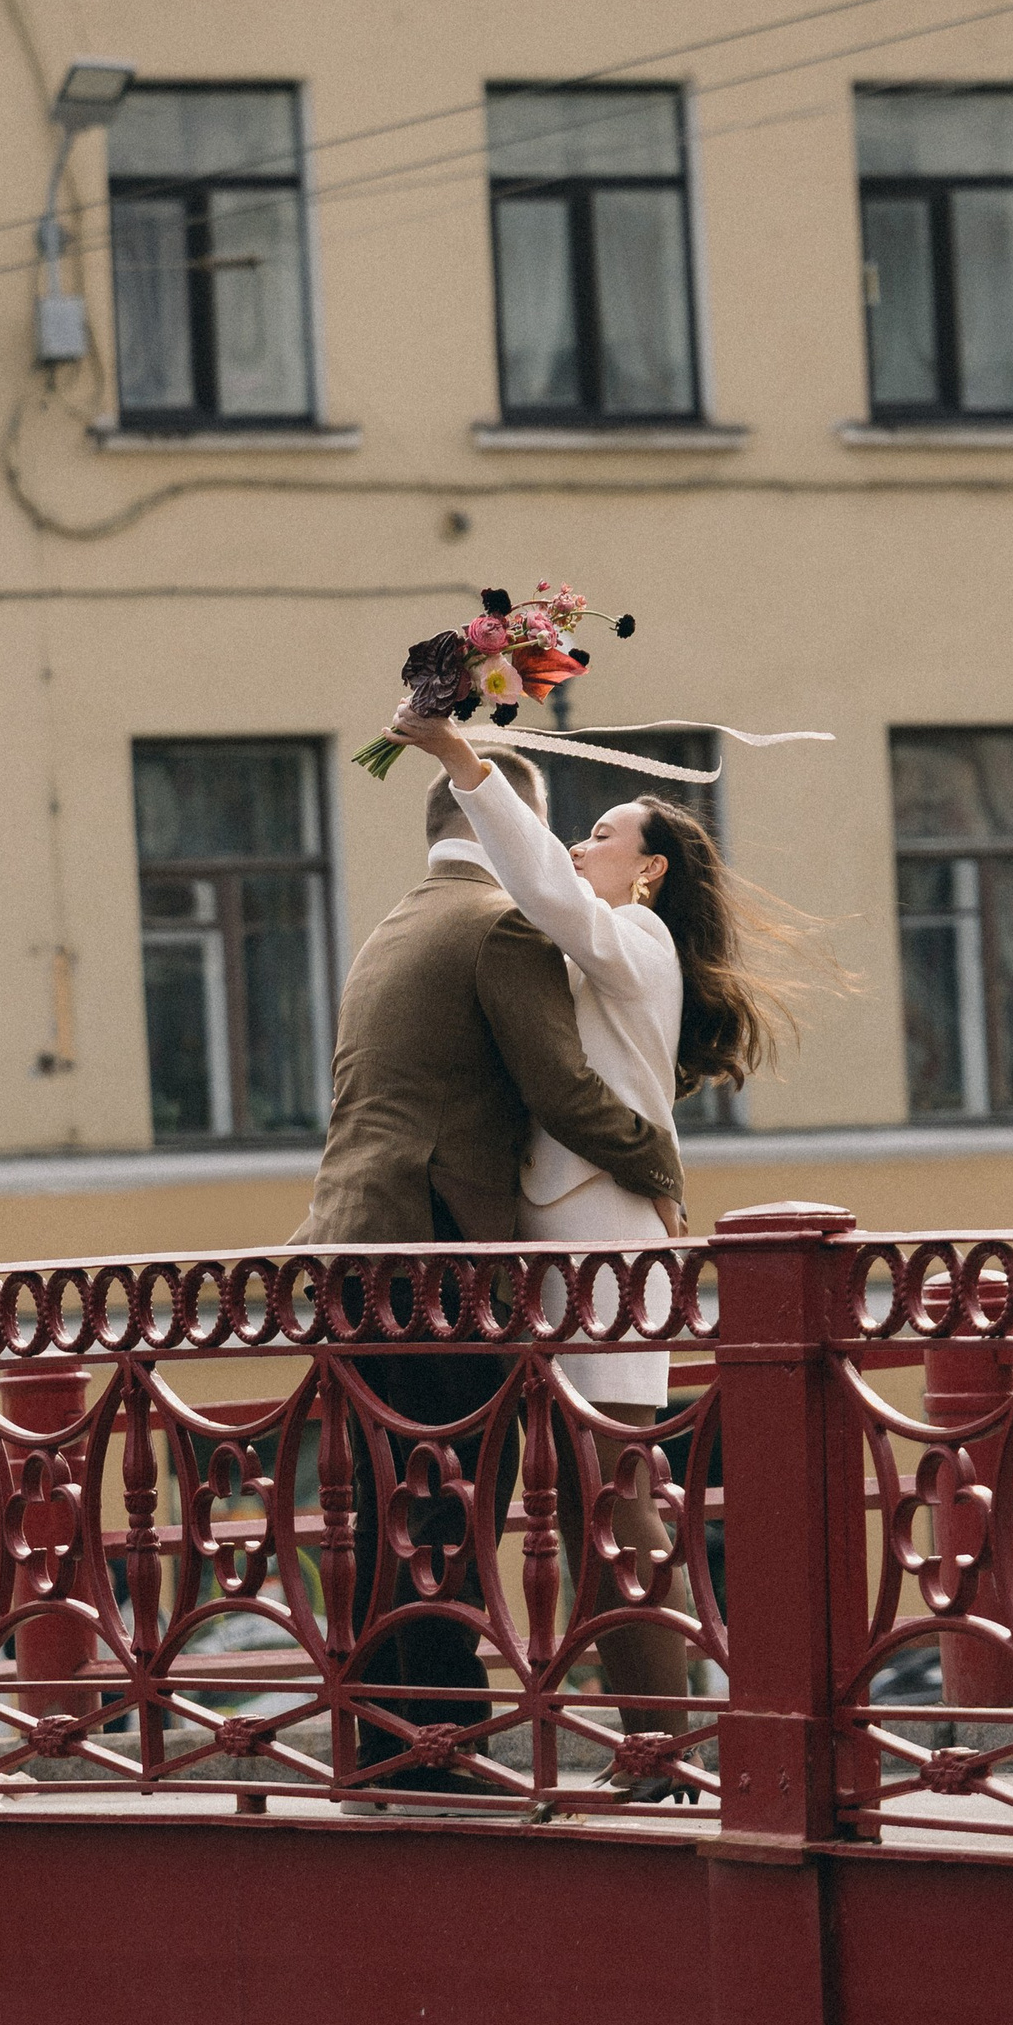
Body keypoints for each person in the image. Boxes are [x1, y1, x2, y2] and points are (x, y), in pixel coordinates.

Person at [386, 706, 805, 1792]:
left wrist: (460, 761)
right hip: (574, 1241)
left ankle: (663, 1740)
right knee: (590, 1491)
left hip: (602, 1244)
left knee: (612, 1487)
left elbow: (545, 889)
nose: (581, 843)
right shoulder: (613, 948)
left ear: (651, 871)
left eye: (605, 833)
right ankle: (655, 1740)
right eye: (581, 830)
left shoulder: (633, 938)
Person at [298, 745, 684, 1796]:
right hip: (433, 1245)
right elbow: (560, 1089)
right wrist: (660, 1166)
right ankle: (437, 1748)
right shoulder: (500, 922)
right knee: (451, 1501)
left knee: (384, 1503)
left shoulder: (394, 920)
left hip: (345, 1238)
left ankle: (380, 1739)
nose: (561, 850)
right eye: (560, 829)